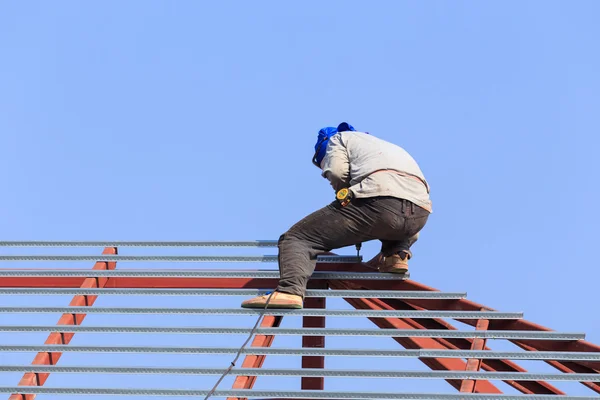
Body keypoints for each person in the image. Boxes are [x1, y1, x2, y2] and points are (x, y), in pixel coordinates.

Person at [241, 122, 432, 309]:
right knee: (396, 219)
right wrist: (402, 243)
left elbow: (337, 172)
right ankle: (395, 256)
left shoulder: (338, 139)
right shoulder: (387, 147)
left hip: (378, 202)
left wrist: (346, 196)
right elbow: (406, 223)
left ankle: (289, 292)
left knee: (297, 238)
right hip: (419, 213)